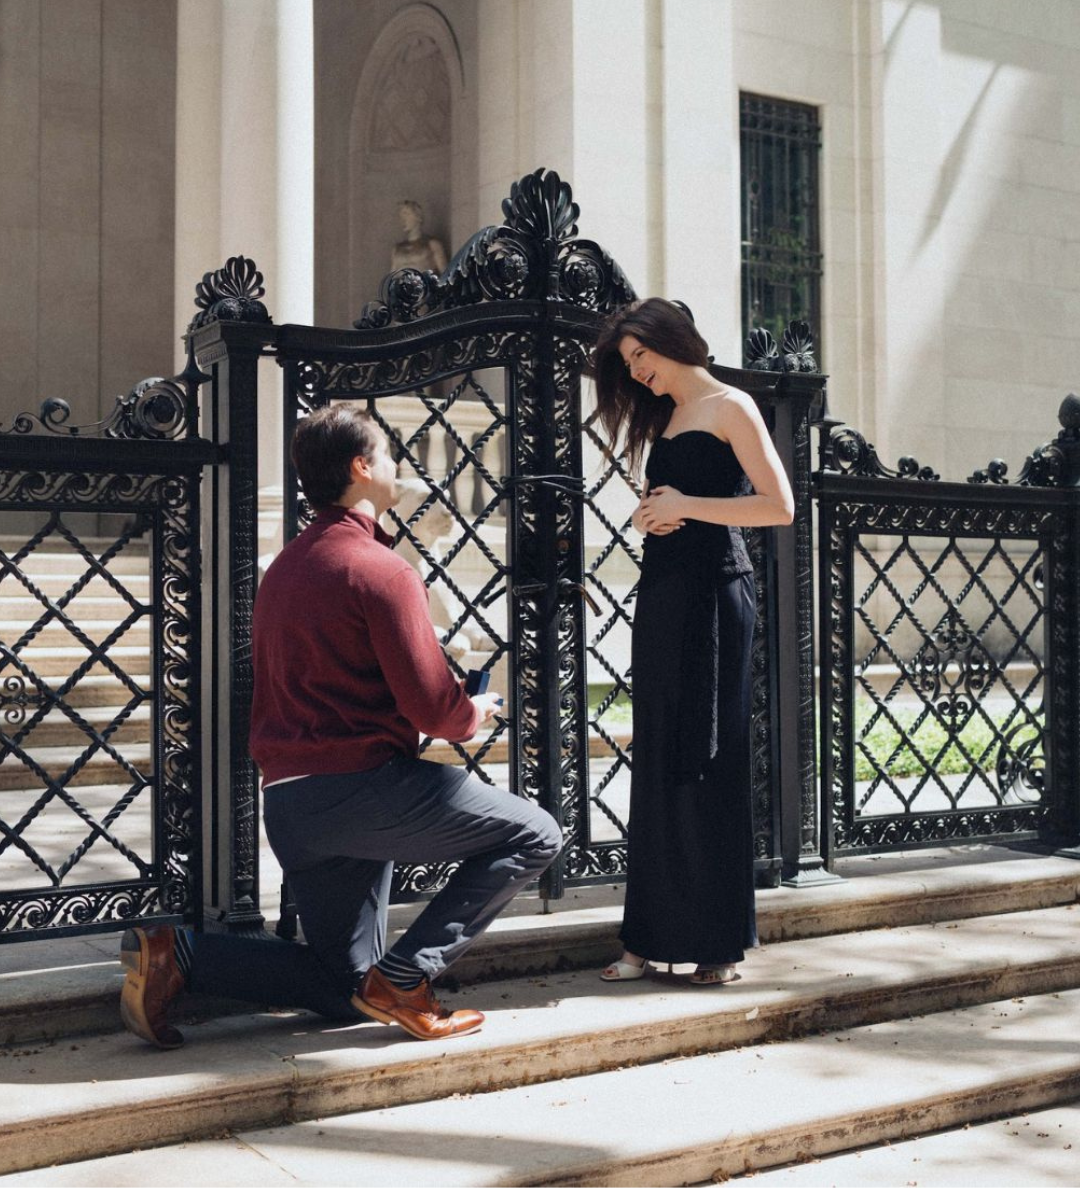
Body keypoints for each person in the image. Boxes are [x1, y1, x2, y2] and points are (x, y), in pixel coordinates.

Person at [119, 403, 561, 1046]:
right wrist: (471, 714)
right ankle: (409, 976)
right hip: (364, 789)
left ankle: (180, 956)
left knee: (346, 985)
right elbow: (433, 710)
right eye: (386, 455)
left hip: (292, 803)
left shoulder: (284, 571)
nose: (394, 466)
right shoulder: (382, 570)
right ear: (361, 467)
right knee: (537, 833)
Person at [590, 299, 793, 985]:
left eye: (639, 355)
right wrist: (654, 514)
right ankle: (642, 941)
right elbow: (674, 504)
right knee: (657, 754)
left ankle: (716, 947)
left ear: (669, 340)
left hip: (716, 596)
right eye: (627, 364)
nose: (637, 371)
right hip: (665, 595)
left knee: (710, 760)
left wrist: (685, 506)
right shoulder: (666, 418)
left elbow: (778, 505)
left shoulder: (731, 405)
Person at [390, 199, 448, 274]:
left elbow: (445, 275)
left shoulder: (432, 245)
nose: (403, 219)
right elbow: (392, 277)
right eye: (401, 215)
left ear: (418, 217)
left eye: (406, 214)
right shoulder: (397, 249)